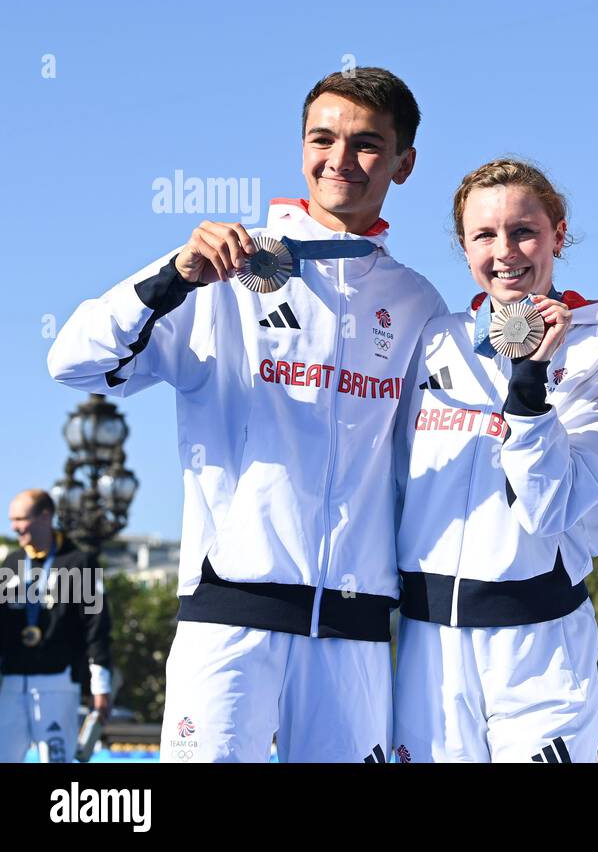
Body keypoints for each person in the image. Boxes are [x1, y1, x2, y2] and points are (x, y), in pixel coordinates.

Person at [47, 68, 447, 762]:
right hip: (232, 618)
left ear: (404, 163)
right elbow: (73, 360)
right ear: (301, 149)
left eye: (367, 145)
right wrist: (176, 274)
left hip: (354, 633)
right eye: (323, 140)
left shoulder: (417, 302)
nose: (340, 161)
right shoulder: (222, 271)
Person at [392, 159, 598, 763]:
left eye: (524, 231)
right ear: (464, 245)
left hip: (539, 645)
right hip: (427, 649)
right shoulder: (432, 341)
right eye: (484, 235)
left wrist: (529, 386)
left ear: (558, 232)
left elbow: (552, 506)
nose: (506, 252)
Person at [0, 489, 111, 763]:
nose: (14, 527)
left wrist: (101, 686)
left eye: (21, 519)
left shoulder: (79, 562)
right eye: (12, 519)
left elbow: (96, 627)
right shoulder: (12, 562)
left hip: (58, 683)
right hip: (11, 685)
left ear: (45, 516)